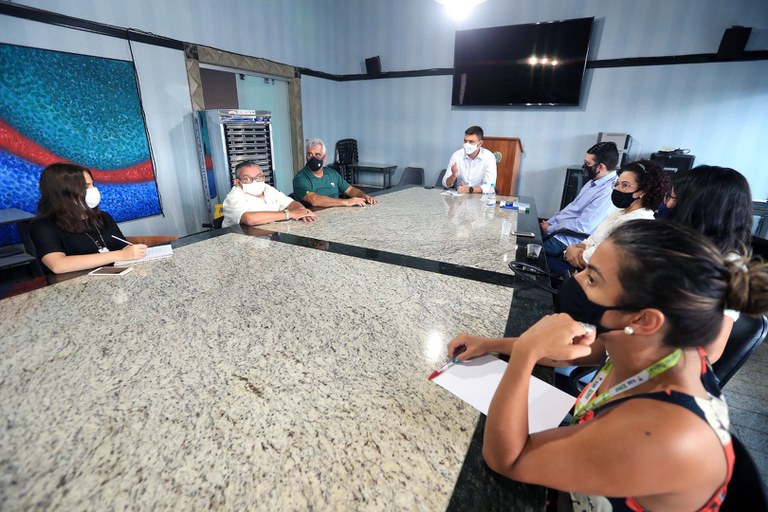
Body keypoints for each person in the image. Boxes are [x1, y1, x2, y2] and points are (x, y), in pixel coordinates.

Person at [448, 220, 768, 511]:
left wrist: (524, 353)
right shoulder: (659, 345)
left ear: (644, 319)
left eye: (592, 278)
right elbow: (583, 351)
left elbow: (507, 459)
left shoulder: (660, 435)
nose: (577, 279)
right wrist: (491, 344)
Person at [665, 165, 754, 362]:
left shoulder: (729, 269)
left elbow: (710, 352)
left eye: (675, 199)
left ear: (698, 211)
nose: (668, 205)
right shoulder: (675, 247)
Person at [29, 162, 148, 274]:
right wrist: (120, 255)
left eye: (92, 185)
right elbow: (57, 265)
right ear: (63, 192)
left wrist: (135, 252)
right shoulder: (42, 225)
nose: (93, 190)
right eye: (86, 186)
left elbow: (123, 246)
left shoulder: (103, 217)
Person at [560, 160, 669, 270]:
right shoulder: (620, 212)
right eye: (617, 184)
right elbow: (591, 241)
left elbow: (594, 261)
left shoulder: (637, 223)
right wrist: (573, 250)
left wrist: (572, 252)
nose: (617, 189)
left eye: (624, 185)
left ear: (643, 192)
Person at [540, 142, 619, 257]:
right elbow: (572, 208)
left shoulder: (607, 192)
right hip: (555, 231)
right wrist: (550, 223)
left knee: (523, 249)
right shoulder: (594, 181)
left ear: (601, 167)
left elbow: (583, 226)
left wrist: (551, 228)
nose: (584, 166)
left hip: (565, 241)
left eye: (588, 163)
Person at [222, 161, 317, 228]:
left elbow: (290, 203)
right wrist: (290, 214)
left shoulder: (267, 188)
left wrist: (302, 212)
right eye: (247, 179)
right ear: (237, 182)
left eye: (258, 177)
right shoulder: (233, 196)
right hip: (239, 242)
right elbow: (249, 219)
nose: (255, 181)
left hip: (268, 236)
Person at [293, 138, 378, 208]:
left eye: (317, 155)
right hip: (315, 216)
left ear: (324, 158)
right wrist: (346, 202)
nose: (313, 158)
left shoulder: (332, 173)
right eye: (310, 155)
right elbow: (314, 199)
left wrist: (363, 196)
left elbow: (350, 190)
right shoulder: (300, 178)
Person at [442, 125, 497, 194]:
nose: (466, 144)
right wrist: (453, 175)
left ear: (480, 143)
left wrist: (470, 189)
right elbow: (445, 184)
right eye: (465, 141)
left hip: (480, 197)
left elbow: (490, 186)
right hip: (459, 196)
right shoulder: (457, 155)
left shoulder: (489, 157)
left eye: (471, 142)